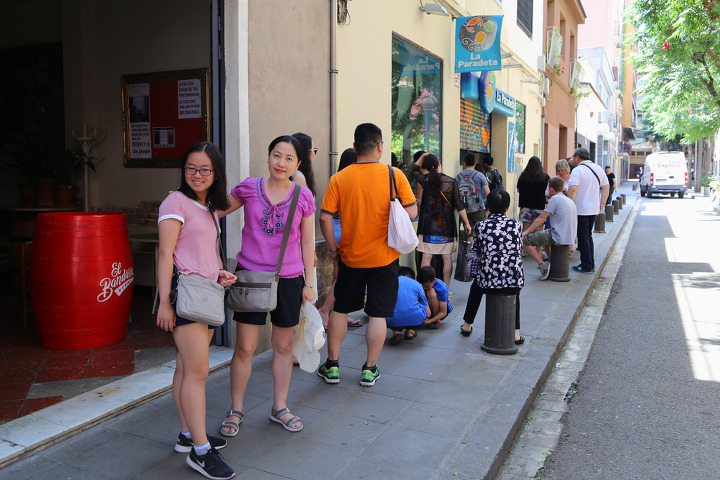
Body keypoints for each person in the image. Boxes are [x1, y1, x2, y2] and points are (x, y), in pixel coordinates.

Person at [219, 135, 315, 436]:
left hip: (289, 280)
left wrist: (309, 282)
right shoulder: (249, 188)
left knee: (283, 346)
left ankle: (279, 407)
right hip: (251, 279)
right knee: (245, 347)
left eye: (289, 158)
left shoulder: (303, 196)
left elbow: (309, 241)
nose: (281, 163)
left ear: (298, 164)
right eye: (276, 155)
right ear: (268, 156)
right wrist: (183, 201)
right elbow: (215, 211)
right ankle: (236, 409)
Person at [157, 142, 237, 480]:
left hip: (205, 293)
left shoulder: (206, 207)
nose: (197, 175)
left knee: (185, 367)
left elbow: (203, 250)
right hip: (185, 296)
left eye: (205, 169)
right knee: (197, 373)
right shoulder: (175, 201)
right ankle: (201, 452)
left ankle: (187, 435)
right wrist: (163, 302)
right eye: (191, 168)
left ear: (216, 173)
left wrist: (219, 272)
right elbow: (165, 254)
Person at [317, 123, 417, 387]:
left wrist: (333, 249)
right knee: (377, 314)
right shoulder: (395, 175)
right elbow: (412, 214)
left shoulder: (340, 178)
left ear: (354, 147)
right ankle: (369, 370)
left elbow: (325, 218)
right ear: (380, 146)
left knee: (340, 309)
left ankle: (333, 366)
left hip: (350, 257)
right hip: (385, 258)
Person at [460, 189, 525, 343]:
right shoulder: (516, 224)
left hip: (489, 282)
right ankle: (515, 334)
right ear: (507, 208)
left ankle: (467, 326)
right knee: (515, 289)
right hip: (513, 282)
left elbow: (475, 252)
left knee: (475, 288)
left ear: (487, 207)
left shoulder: (481, 226)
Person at [411, 153, 472, 291]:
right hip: (447, 227)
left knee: (426, 257)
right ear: (439, 164)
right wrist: (467, 223)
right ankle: (446, 289)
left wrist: (423, 156)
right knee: (447, 258)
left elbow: (414, 170)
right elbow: (459, 205)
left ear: (425, 167)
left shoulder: (425, 181)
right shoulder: (451, 181)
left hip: (428, 227)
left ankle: (424, 288)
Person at [317, 148, 358, 329]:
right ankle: (325, 310)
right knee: (341, 278)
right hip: (343, 230)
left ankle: (340, 313)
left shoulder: (337, 179)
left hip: (335, 230)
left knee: (340, 276)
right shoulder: (350, 181)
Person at [522, 176, 578, 280]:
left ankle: (542, 265)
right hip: (569, 237)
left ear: (552, 189)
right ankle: (553, 264)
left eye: (548, 188)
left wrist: (526, 231)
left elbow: (541, 219)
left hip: (558, 237)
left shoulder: (555, 199)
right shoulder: (568, 200)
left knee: (523, 240)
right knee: (544, 235)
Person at [567, 147, 609, 273]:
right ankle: (590, 263)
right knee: (588, 236)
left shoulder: (577, 170)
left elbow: (573, 189)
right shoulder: (598, 168)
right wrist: (602, 204)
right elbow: (606, 187)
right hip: (593, 209)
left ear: (578, 157)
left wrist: (570, 205)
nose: (572, 159)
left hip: (580, 209)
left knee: (583, 237)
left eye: (573, 157)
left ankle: (586, 265)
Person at [517, 156, 550, 261]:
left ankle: (523, 251)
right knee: (539, 230)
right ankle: (538, 252)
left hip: (525, 205)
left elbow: (518, 189)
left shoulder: (523, 176)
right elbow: (548, 192)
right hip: (539, 206)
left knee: (526, 229)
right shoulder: (545, 176)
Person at [386, 267, 430, 345]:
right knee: (418, 307)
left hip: (392, 319)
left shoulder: (389, 282)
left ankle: (396, 332)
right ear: (412, 276)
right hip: (415, 319)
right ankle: (410, 332)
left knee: (388, 310)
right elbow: (428, 313)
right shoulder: (417, 284)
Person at [455, 153, 490, 241]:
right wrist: (482, 198)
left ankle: (470, 253)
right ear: (475, 162)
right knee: (481, 232)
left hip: (464, 208)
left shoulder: (458, 177)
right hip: (478, 207)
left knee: (469, 233)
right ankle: (479, 253)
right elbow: (488, 193)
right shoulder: (480, 175)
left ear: (465, 163)